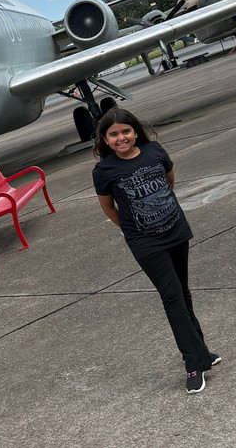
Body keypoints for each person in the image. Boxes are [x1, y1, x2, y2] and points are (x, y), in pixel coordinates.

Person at [91, 108, 220, 394]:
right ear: (106, 140)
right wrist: (134, 229)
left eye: (125, 131)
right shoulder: (104, 171)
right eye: (113, 134)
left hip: (175, 230)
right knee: (171, 296)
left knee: (183, 292)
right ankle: (193, 364)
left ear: (135, 131)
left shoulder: (154, 151)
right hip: (145, 242)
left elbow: (169, 182)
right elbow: (109, 208)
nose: (121, 137)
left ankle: (202, 352)